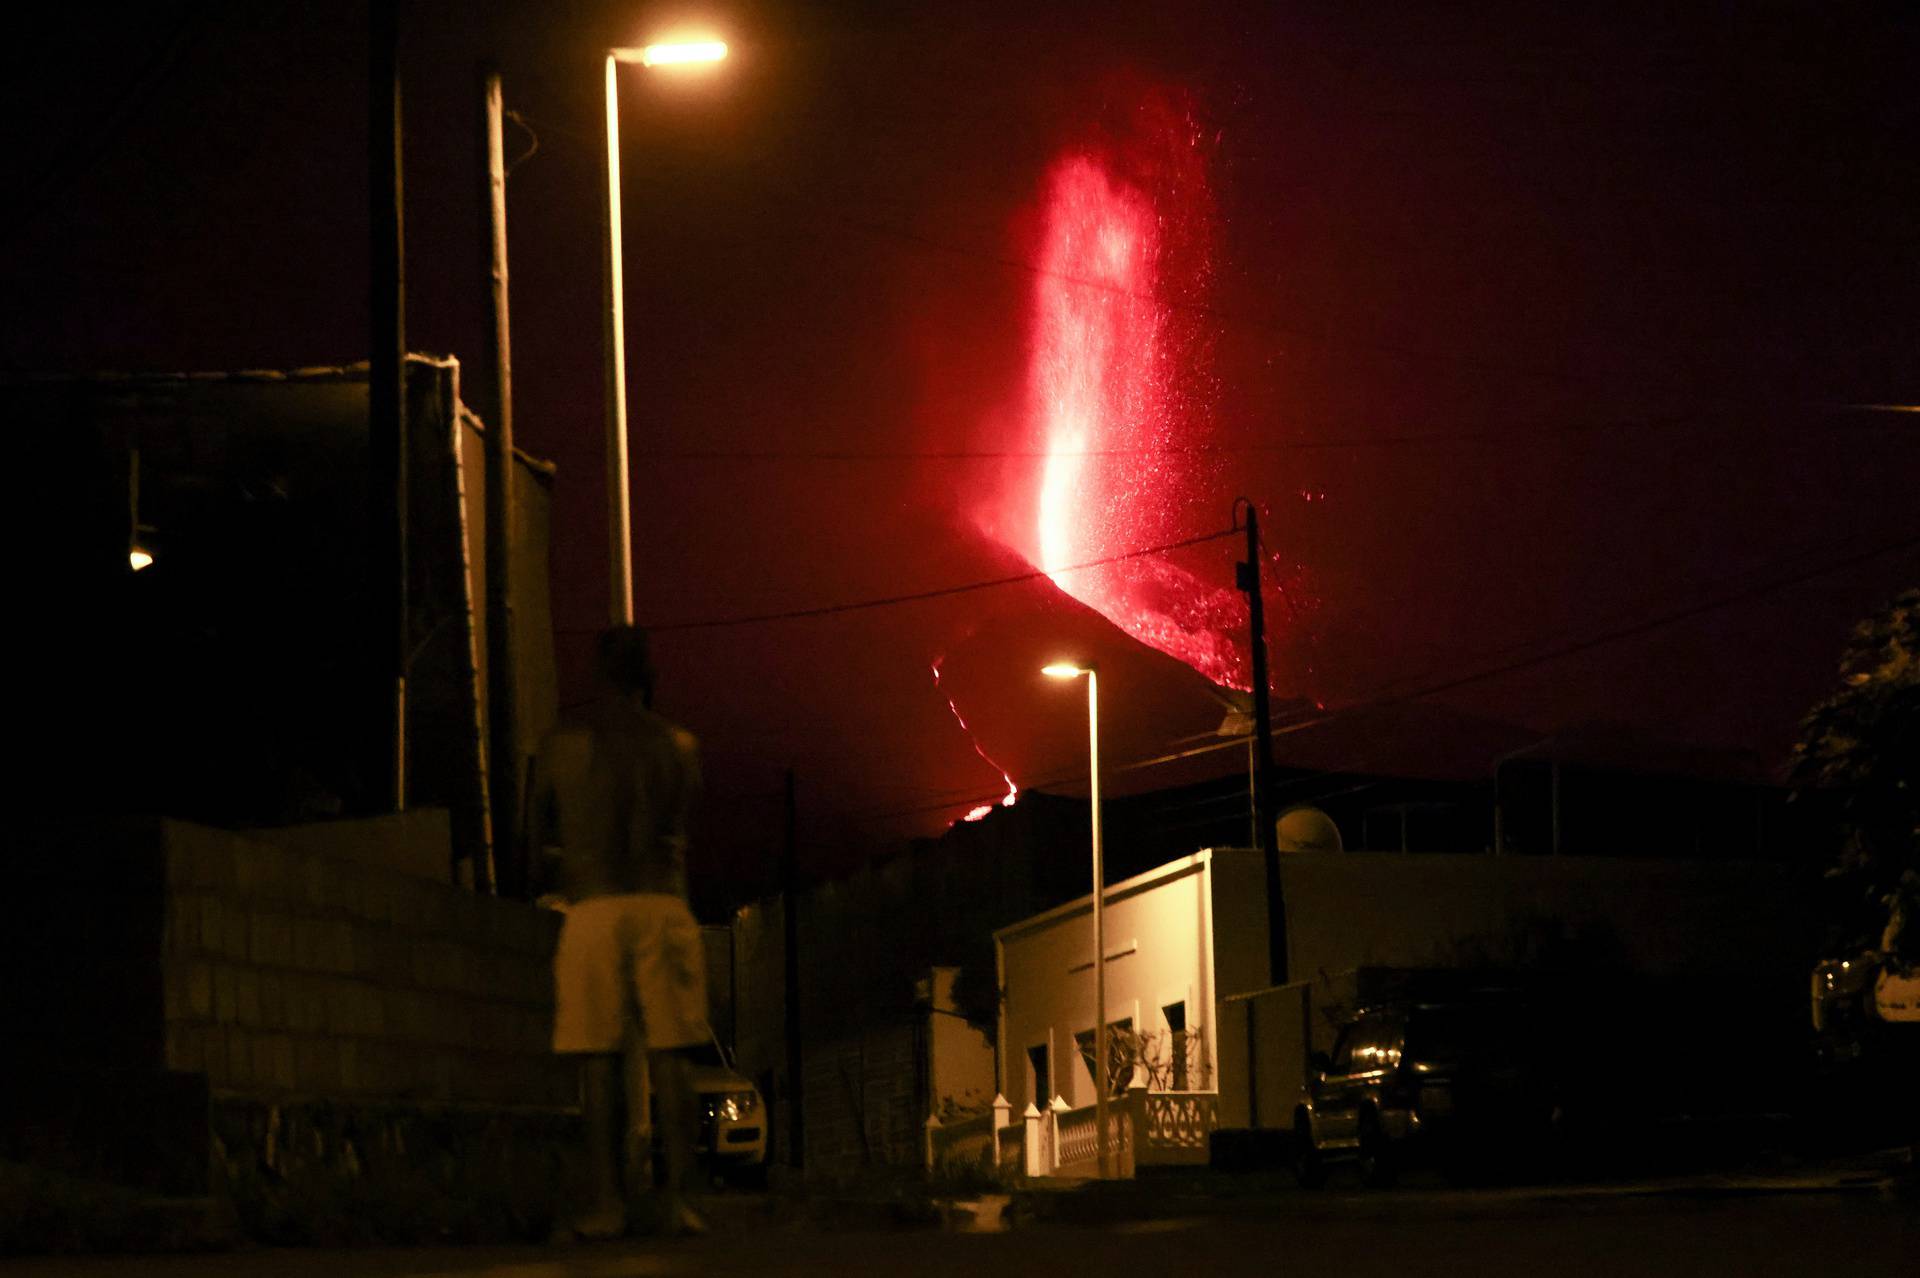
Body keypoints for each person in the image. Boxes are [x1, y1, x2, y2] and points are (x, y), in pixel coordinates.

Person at [530, 625, 709, 1240]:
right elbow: (683, 826)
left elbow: (537, 841)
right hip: (664, 901)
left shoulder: (561, 748)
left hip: (594, 905)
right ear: (648, 677)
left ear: (597, 676)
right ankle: (679, 1201)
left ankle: (606, 1204)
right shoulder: (678, 746)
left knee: (598, 1058)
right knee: (672, 1056)